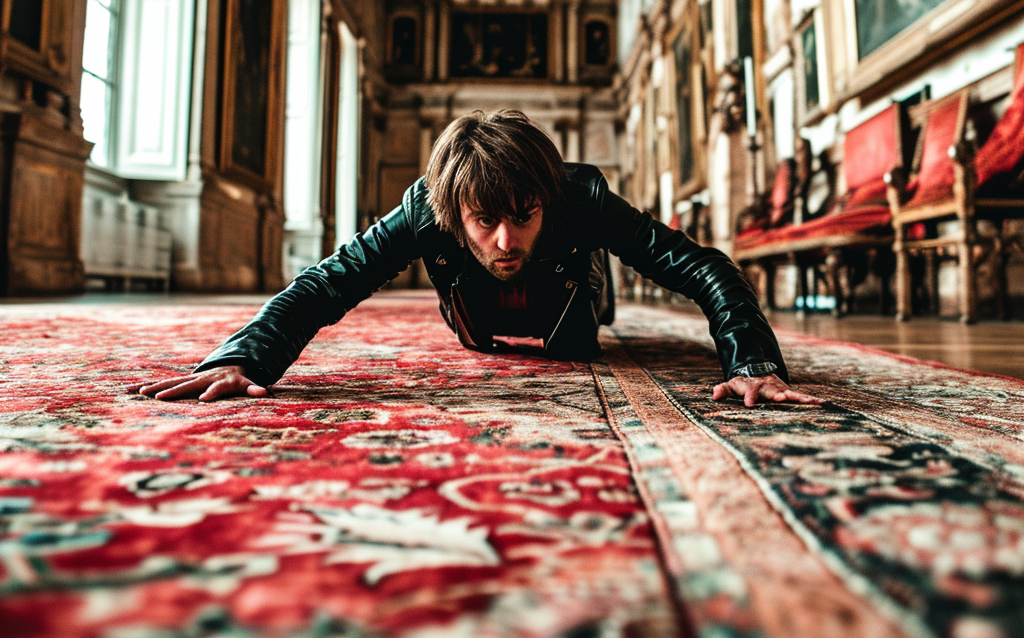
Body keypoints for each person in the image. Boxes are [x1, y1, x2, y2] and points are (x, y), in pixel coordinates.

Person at [140, 110, 820, 408]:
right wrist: (243, 356)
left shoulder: (578, 195)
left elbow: (705, 267)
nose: (504, 240)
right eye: (485, 221)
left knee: (597, 299)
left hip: (570, 306)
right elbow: (328, 282)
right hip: (477, 315)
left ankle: (594, 278)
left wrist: (753, 363)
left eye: (522, 218)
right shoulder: (424, 206)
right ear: (454, 211)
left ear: (546, 201)